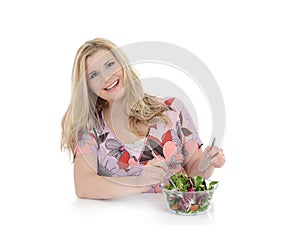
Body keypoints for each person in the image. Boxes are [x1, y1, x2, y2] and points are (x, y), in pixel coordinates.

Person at [61, 38, 225, 200]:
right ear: (88, 87)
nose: (106, 77)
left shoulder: (173, 109)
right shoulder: (90, 127)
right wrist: (139, 182)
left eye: (110, 64)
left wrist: (208, 161)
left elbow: (195, 174)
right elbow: (83, 185)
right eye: (94, 74)